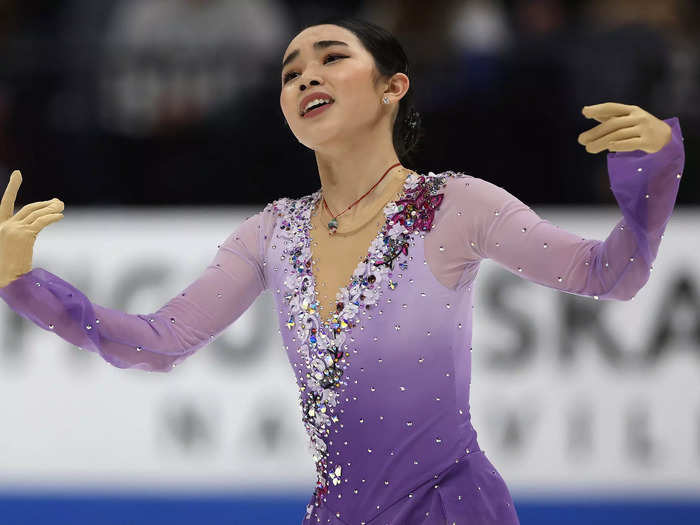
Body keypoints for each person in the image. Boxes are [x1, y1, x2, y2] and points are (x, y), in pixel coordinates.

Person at [0, 15, 686, 525]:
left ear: (393, 87)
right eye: (291, 71)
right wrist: (20, 282)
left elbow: (609, 273)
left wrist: (655, 166)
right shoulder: (270, 234)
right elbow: (154, 340)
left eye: (331, 58)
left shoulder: (456, 205)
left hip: (452, 510)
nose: (307, 77)